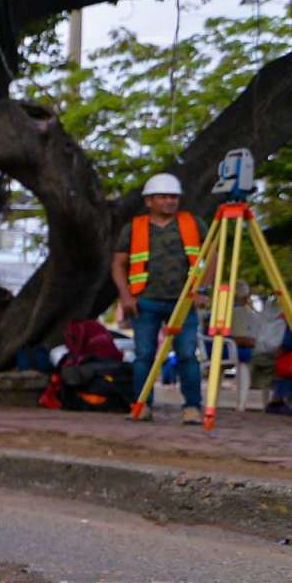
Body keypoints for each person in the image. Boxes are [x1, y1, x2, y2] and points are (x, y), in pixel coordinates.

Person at [113, 172, 205, 422]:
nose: (169, 202)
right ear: (149, 201)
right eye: (163, 197)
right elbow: (118, 264)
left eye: (173, 197)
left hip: (183, 302)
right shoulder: (134, 228)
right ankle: (142, 404)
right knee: (144, 355)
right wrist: (126, 296)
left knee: (186, 354)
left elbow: (212, 256)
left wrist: (201, 290)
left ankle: (192, 407)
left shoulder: (193, 224)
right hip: (146, 302)